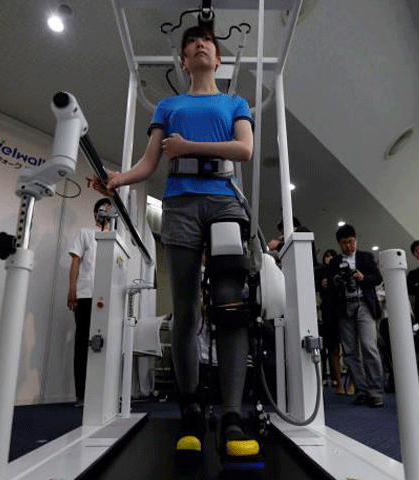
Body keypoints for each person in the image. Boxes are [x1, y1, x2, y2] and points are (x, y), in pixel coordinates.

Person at [101, 25, 258, 465]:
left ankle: (231, 415)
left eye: (206, 42)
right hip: (180, 205)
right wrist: (119, 178)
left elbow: (244, 150)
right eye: (191, 44)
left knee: (230, 306)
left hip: (225, 202)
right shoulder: (169, 105)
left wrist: (189, 145)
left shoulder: (235, 102)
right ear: (183, 60)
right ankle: (191, 413)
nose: (199, 46)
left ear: (218, 58)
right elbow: (149, 162)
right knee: (186, 310)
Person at [327, 224, 384, 407]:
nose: (348, 246)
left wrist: (362, 278)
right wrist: (336, 280)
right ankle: (361, 389)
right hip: (344, 308)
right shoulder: (335, 262)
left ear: (355, 240)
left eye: (351, 242)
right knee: (350, 352)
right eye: (344, 243)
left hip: (363, 304)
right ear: (339, 244)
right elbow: (329, 288)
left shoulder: (365, 257)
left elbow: (378, 278)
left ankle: (375, 392)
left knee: (369, 347)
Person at [67, 198, 114, 407]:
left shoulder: (115, 239)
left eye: (110, 211)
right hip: (86, 294)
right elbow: (75, 261)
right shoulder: (85, 233)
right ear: (95, 212)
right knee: (82, 344)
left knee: (104, 346)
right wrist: (72, 290)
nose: (106, 213)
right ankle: (81, 395)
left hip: (107, 297)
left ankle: (102, 395)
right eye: (103, 210)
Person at [316, 249, 350, 395]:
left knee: (350, 348)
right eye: (327, 255)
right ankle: (339, 383)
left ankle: (353, 383)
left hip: (344, 309)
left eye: (332, 256)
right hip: (328, 312)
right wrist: (322, 285)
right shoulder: (320, 273)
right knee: (333, 348)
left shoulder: (342, 271)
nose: (329, 258)